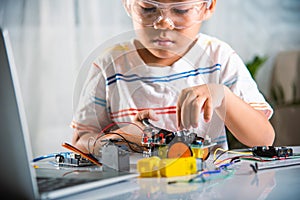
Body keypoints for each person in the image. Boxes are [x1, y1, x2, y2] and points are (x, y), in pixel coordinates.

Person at [71, 0, 275, 157]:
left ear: (207, 7)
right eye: (148, 8)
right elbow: (80, 143)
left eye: (181, 10)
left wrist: (222, 96)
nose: (163, 24)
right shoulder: (108, 66)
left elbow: (264, 138)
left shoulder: (219, 57)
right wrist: (120, 139)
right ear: (128, 4)